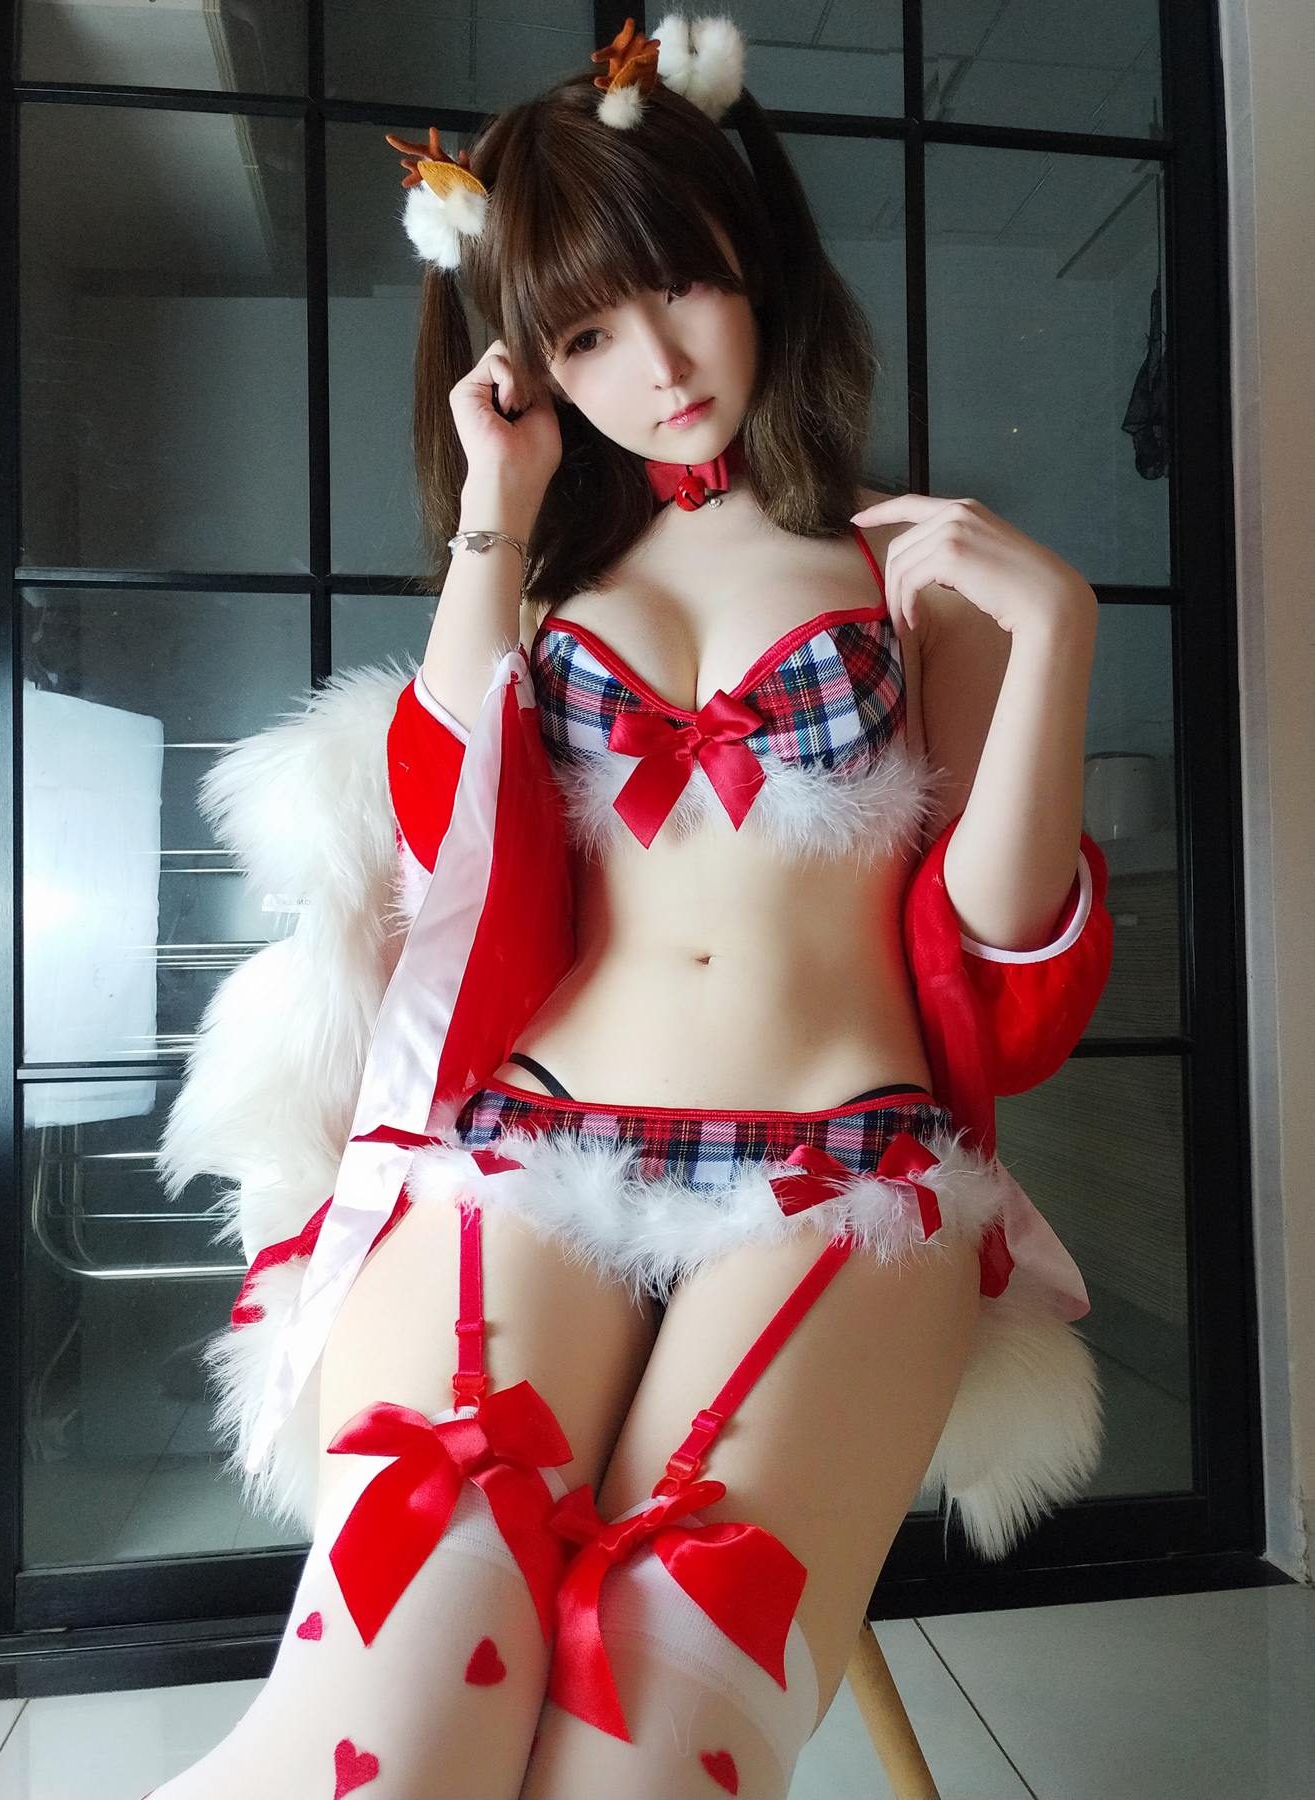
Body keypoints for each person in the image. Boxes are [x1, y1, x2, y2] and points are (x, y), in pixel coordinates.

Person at [150, 14, 1112, 1798]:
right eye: (587, 331)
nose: (657, 364)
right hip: (535, 1150)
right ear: (524, 357)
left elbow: (1007, 952)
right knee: (391, 1714)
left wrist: (1053, 635)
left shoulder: (905, 564)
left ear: (756, 256)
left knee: (652, 1741)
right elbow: (445, 836)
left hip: (838, 1176)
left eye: (684, 285)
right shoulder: (537, 580)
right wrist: (493, 518)